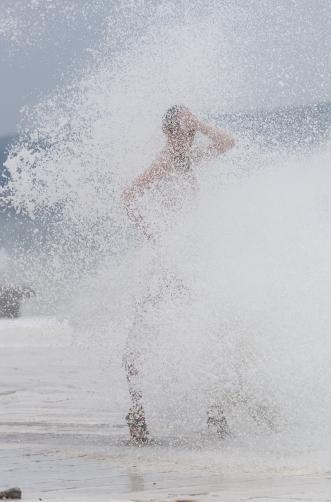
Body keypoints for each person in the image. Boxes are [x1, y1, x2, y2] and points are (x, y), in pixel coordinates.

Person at [121, 105, 235, 445]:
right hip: (169, 263)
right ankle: (139, 413)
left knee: (203, 327)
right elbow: (128, 196)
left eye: (192, 133)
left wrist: (198, 122)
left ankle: (213, 411)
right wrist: (154, 236)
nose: (191, 137)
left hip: (188, 261)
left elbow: (228, 142)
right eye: (186, 131)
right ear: (171, 133)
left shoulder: (186, 159)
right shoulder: (167, 161)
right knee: (143, 337)